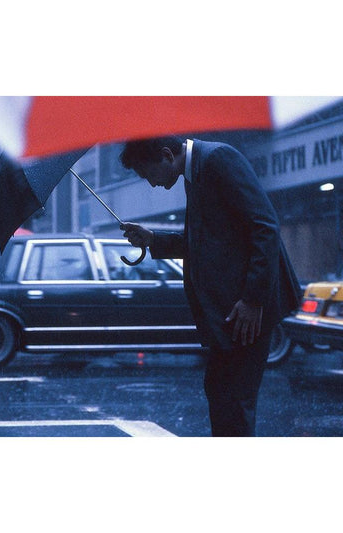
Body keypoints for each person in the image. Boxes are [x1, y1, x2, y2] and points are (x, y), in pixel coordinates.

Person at [120, 136, 300, 437]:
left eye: (148, 173)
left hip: (246, 310)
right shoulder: (195, 173)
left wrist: (253, 300)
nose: (151, 184)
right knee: (220, 391)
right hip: (232, 310)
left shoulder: (218, 160)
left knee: (233, 400)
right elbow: (203, 241)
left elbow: (265, 226)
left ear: (167, 155)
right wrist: (153, 239)